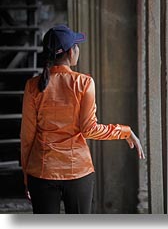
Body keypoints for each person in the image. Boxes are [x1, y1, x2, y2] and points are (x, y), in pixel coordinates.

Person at [20, 24, 145, 214]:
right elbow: (89, 129)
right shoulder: (84, 83)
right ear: (71, 52)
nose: (78, 50)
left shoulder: (32, 86)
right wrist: (125, 131)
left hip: (41, 171)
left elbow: (27, 137)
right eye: (76, 46)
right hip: (77, 170)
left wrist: (26, 175)